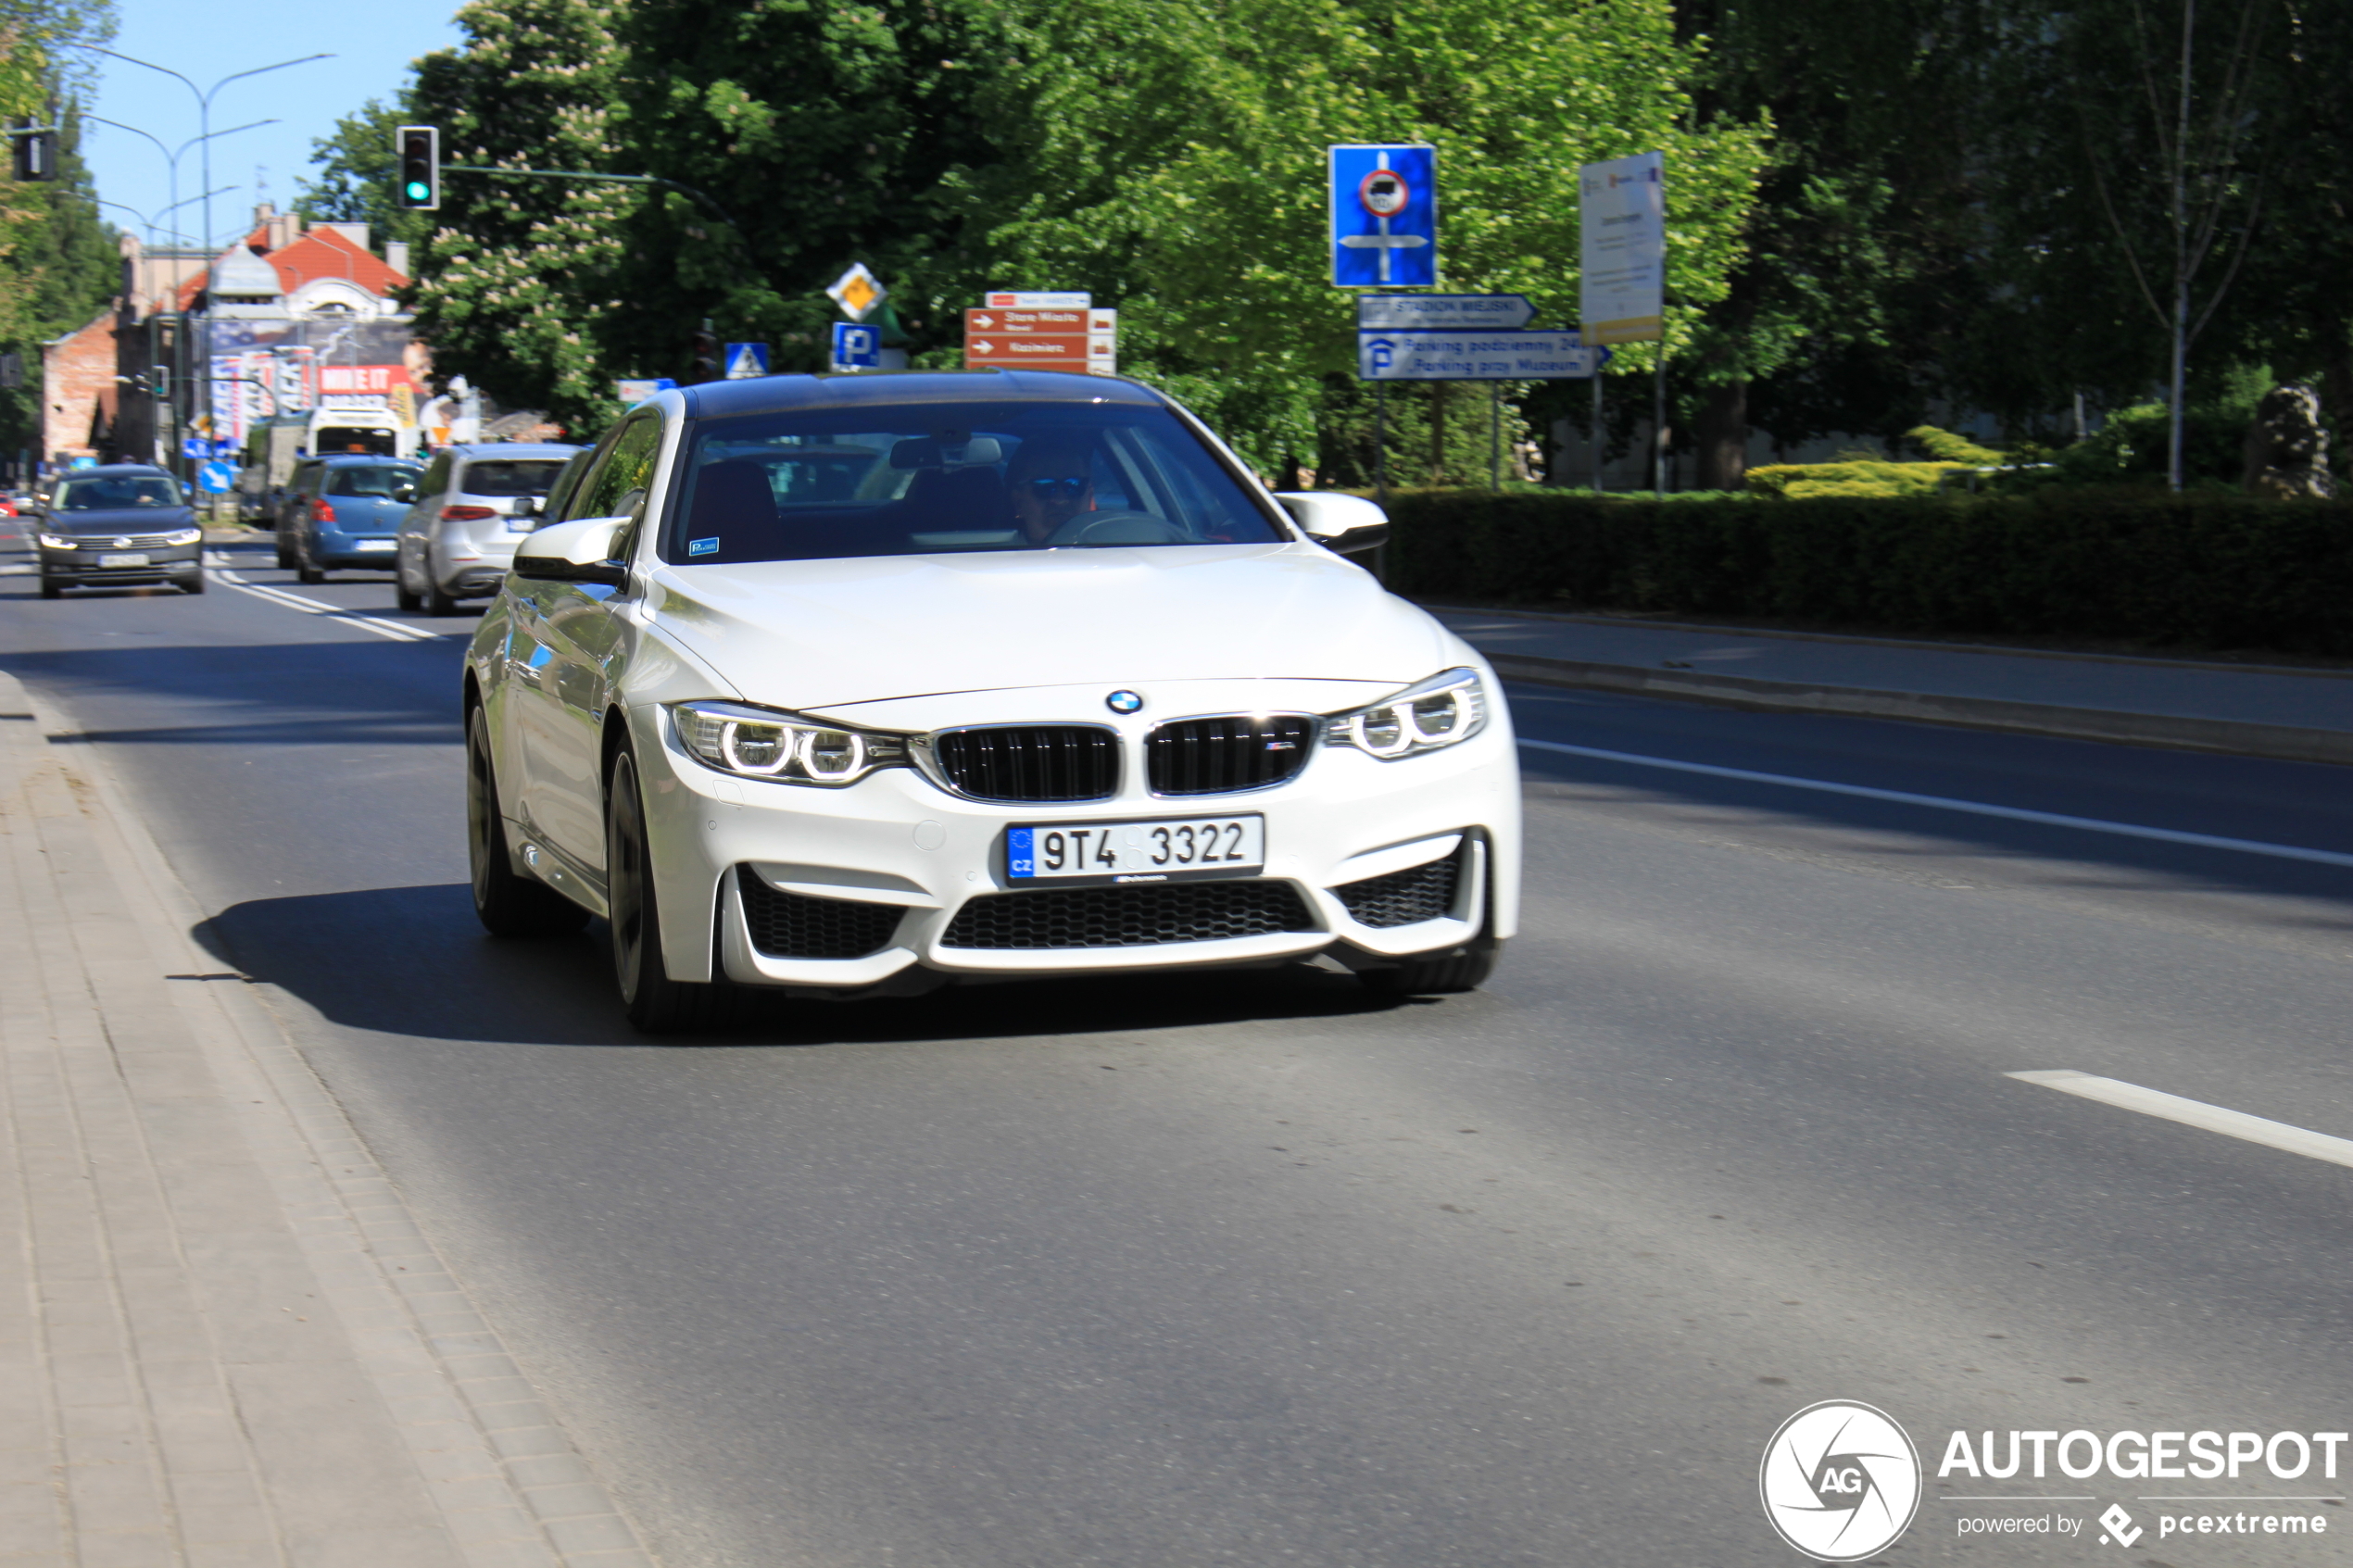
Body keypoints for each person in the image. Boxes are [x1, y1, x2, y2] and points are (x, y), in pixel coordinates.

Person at [1005, 433, 1096, 546]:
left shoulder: (1115, 554)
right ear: (1018, 503)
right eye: (1045, 486)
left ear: (1090, 496)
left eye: (1074, 485)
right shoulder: (993, 560)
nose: (1060, 499)